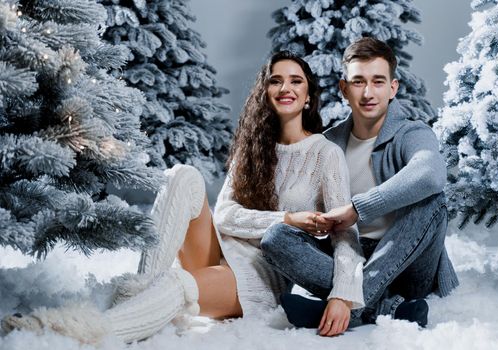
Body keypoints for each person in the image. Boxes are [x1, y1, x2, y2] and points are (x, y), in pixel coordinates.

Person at [1, 51, 365, 343]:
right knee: (182, 175)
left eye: (295, 81)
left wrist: (342, 295)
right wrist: (286, 218)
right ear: (265, 93)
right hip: (220, 247)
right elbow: (223, 214)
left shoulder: (324, 154)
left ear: (308, 96)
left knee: (178, 285)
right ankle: (139, 295)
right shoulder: (253, 148)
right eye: (276, 80)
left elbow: (345, 233)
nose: (285, 87)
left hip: (258, 275)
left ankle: (73, 333)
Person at [260, 37, 459, 331]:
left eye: (378, 81)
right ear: (344, 89)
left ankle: (349, 305)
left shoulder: (410, 132)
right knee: (276, 237)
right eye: (358, 82)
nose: (368, 93)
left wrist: (356, 208)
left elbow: (430, 173)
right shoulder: (328, 143)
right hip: (347, 258)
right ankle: (385, 308)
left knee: (433, 201)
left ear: (393, 88)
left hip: (408, 262)